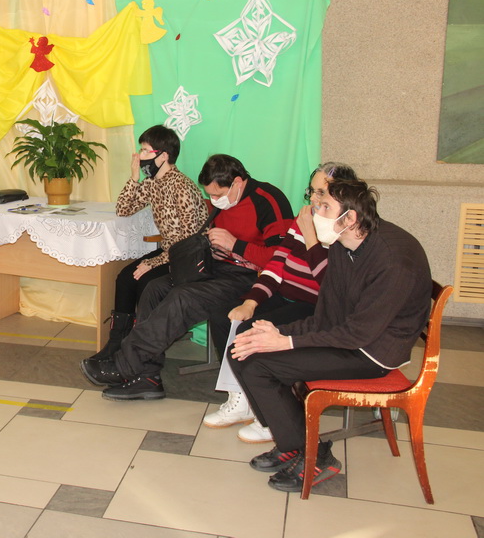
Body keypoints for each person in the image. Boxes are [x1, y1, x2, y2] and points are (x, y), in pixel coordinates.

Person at [229, 178, 432, 492]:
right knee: (244, 348)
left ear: (350, 218)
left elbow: (358, 334)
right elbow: (327, 313)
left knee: (260, 367)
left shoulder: (392, 261)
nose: (314, 211)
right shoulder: (343, 244)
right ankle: (293, 444)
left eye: (324, 207)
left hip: (374, 351)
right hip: (349, 334)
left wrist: (286, 341)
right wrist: (278, 331)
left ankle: (316, 455)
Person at [80, 154, 293, 400]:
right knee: (155, 288)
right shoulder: (220, 202)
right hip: (216, 268)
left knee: (183, 297)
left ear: (237, 182)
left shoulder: (268, 201)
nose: (214, 201)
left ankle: (125, 364)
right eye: (210, 195)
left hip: (251, 278)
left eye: (218, 194)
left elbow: (281, 259)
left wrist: (236, 245)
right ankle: (148, 377)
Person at [203, 162, 357, 443]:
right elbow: (276, 264)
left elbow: (330, 286)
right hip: (285, 294)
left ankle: (272, 417)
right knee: (225, 315)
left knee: (250, 331)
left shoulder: (345, 229)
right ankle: (241, 398)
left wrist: (310, 237)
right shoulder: (304, 218)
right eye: (312, 191)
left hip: (317, 306)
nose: (314, 199)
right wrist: (251, 301)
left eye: (321, 193)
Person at [88, 125, 208, 362]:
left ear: (163, 156)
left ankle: (141, 350)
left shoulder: (181, 186)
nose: (139, 156)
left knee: (146, 282)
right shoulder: (153, 182)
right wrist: (134, 177)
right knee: (125, 277)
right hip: (169, 252)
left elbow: (189, 241)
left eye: (145, 151)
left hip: (189, 256)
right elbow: (123, 209)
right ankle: (117, 343)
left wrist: (154, 262)